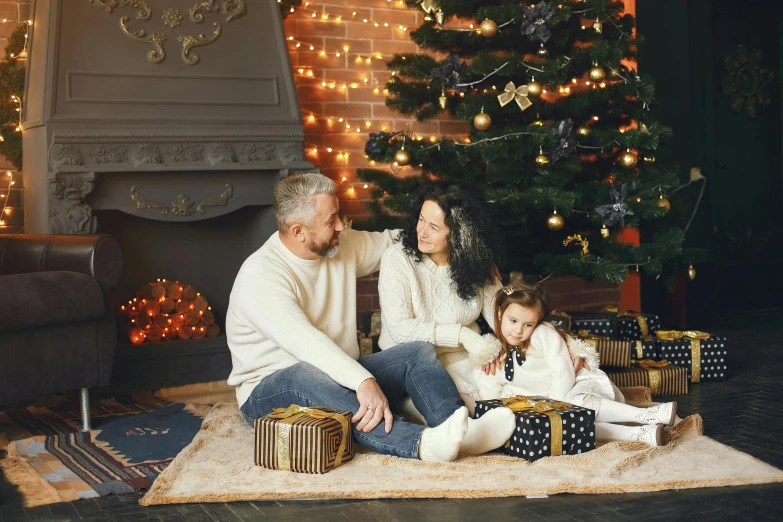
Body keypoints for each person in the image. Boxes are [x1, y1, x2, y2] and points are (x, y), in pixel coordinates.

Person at [226, 172, 500, 462]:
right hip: (270, 390)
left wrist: (471, 249)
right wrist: (363, 382)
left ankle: (460, 429)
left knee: (417, 352)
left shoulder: (339, 244)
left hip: (340, 373)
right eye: (331, 220)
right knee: (302, 373)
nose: (341, 225)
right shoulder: (261, 276)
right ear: (298, 232)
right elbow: (308, 346)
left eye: (338, 215)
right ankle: (419, 443)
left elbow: (405, 238)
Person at [377, 185, 517, 454]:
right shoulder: (398, 259)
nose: (422, 231)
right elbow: (401, 330)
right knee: (466, 407)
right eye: (420, 220)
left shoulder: (475, 262)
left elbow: (504, 317)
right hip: (415, 365)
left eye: (434, 227)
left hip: (468, 358)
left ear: (459, 234)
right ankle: (469, 437)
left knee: (511, 396)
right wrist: (464, 335)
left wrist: (551, 342)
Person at [485, 280, 678, 446]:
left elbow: (563, 373)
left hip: (579, 383)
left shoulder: (542, 334)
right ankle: (642, 434)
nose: (519, 330)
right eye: (513, 321)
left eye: (528, 324)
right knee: (573, 424)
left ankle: (645, 415)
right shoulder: (497, 354)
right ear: (500, 313)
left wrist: (554, 410)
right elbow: (491, 389)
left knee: (573, 407)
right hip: (553, 402)